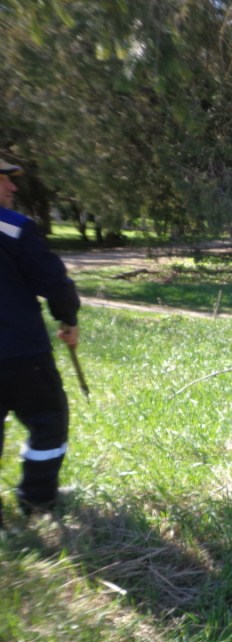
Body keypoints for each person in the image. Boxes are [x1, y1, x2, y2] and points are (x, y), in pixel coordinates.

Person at [0, 159, 81, 528]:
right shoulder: (13, 228)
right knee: (48, 420)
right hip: (19, 352)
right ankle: (37, 499)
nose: (13, 188)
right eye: (5, 180)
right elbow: (53, 281)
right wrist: (68, 319)